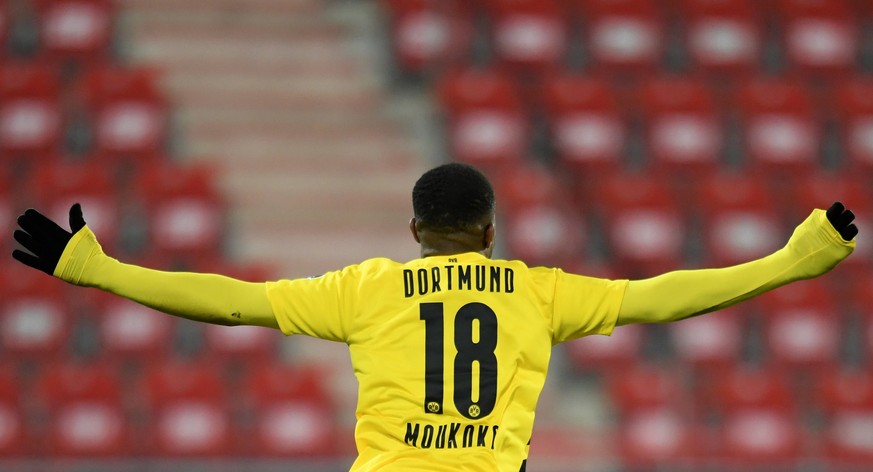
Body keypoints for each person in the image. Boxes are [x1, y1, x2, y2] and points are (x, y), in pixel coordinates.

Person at [12, 162, 857, 471]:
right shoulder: (536, 291)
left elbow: (234, 303)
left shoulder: (367, 289)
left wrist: (102, 269)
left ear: (416, 231)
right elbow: (664, 295)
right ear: (490, 231)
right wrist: (790, 261)